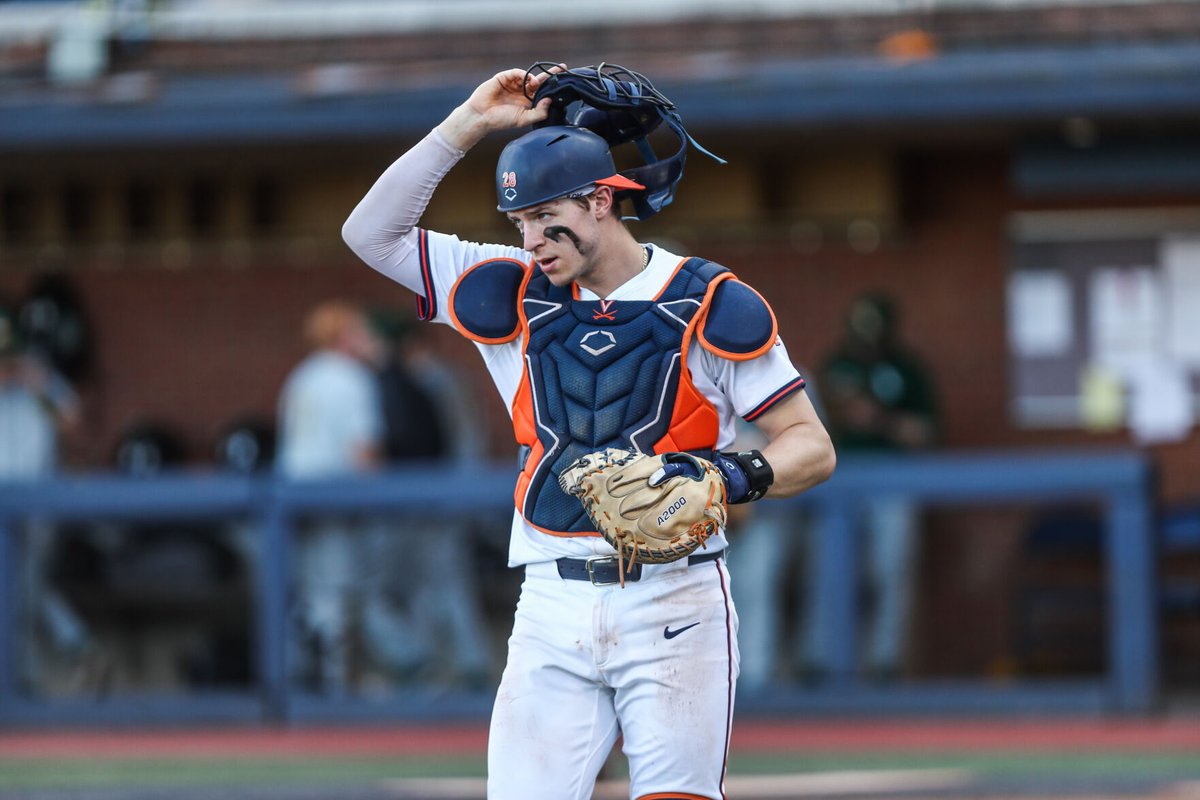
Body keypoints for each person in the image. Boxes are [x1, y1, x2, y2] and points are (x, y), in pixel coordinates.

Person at [342, 63, 835, 800]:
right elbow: (369, 233)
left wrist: (724, 477)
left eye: (548, 216)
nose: (533, 238)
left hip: (678, 600)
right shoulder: (508, 288)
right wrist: (467, 125)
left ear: (602, 200)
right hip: (550, 601)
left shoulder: (708, 301)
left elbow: (811, 446)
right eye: (520, 223)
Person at [808, 291, 939, 682]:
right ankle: (820, 661)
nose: (865, 341)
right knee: (828, 567)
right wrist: (843, 414)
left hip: (893, 477)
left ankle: (885, 662)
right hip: (836, 479)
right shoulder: (835, 364)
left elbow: (927, 432)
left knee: (890, 569)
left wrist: (880, 420)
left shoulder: (907, 368)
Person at [276, 300, 397, 692]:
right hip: (335, 498)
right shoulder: (350, 377)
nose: (366, 340)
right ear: (342, 337)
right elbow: (364, 451)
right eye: (359, 332)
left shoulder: (302, 375)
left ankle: (312, 681)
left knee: (313, 593)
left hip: (292, 499)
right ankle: (331, 688)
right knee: (339, 595)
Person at [0, 302, 88, 692]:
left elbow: (72, 423)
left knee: (23, 585)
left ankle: (27, 676)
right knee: (15, 588)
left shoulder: (39, 379)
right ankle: (67, 641)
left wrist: (36, 383)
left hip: (36, 504)